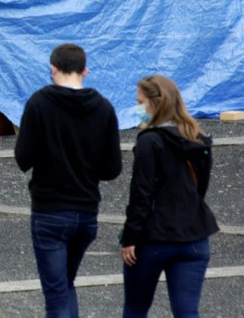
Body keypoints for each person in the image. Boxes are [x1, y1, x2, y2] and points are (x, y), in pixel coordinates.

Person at [15, 43, 122, 317]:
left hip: (50, 211)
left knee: (56, 294)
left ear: (52, 68)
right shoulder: (104, 108)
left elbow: (23, 159)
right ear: (85, 71)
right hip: (86, 213)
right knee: (65, 285)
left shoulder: (39, 104)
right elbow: (112, 169)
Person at [120, 75, 219, 317]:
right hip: (194, 235)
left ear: (155, 104)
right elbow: (200, 189)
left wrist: (130, 237)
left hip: (154, 237)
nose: (138, 108)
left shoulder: (149, 141)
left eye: (140, 102)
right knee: (187, 311)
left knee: (136, 308)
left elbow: (141, 194)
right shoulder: (198, 139)